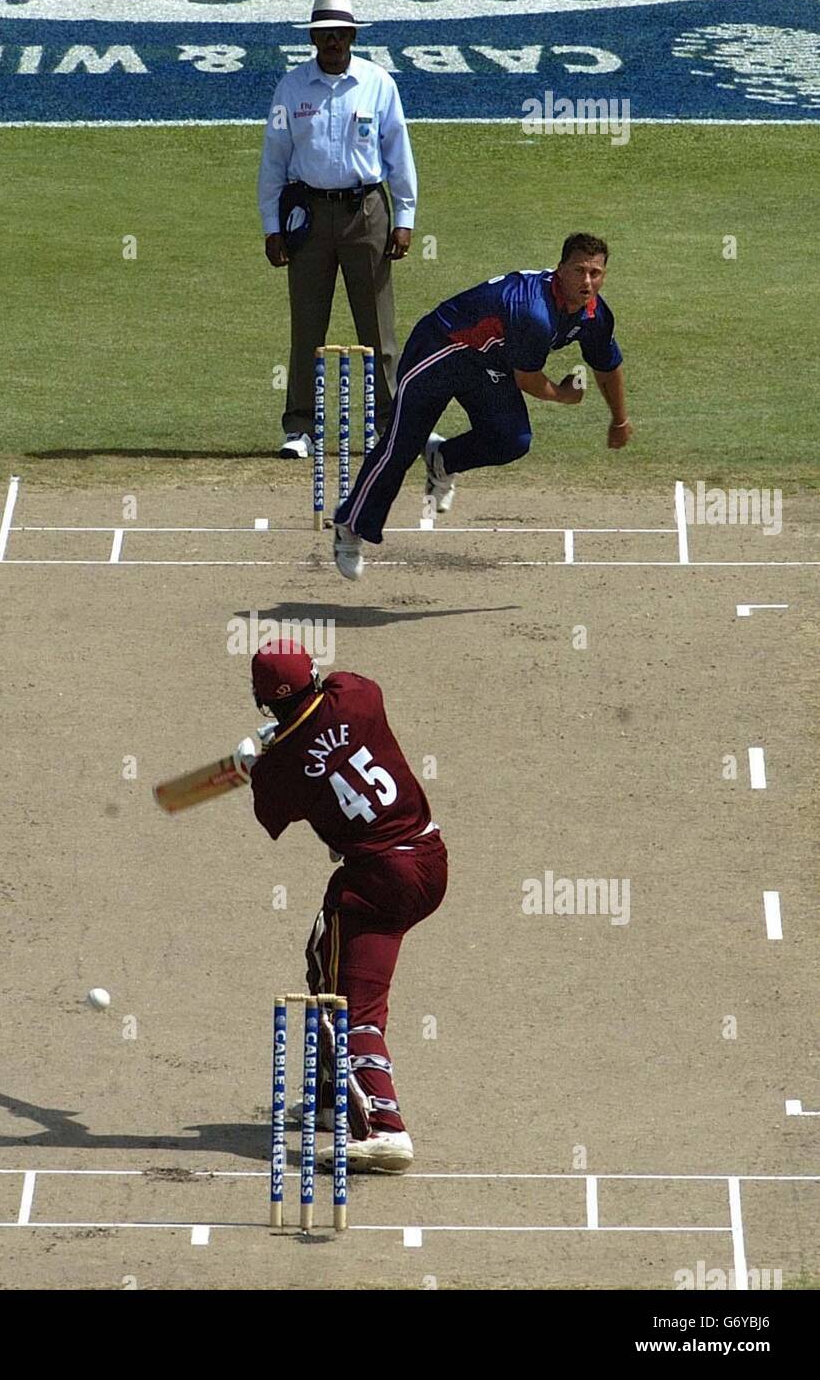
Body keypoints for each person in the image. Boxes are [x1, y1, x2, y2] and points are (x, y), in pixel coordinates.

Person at [240, 640, 448, 1173]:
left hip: (377, 881)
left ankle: (382, 1127)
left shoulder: (278, 770)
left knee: (344, 1004)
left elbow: (277, 808)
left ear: (265, 702)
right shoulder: (357, 695)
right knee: (323, 953)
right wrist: (291, 743)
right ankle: (337, 1097)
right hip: (428, 859)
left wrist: (259, 761)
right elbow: (336, 741)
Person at [331, 233, 634, 580]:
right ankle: (350, 524)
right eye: (579, 270)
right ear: (560, 269)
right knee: (400, 445)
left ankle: (443, 460)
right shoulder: (534, 311)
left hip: (486, 363)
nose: (587, 281)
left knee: (512, 439)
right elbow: (528, 380)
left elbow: (607, 365)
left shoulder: (595, 314)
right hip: (440, 349)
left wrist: (620, 420)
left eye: (595, 273)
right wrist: (564, 395)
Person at [257, 0, 417, 460]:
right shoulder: (291, 88)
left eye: (340, 32)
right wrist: (272, 225)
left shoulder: (377, 83)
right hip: (306, 215)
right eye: (324, 32)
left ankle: (386, 427)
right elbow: (274, 159)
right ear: (312, 37)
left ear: (351, 36)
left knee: (378, 330)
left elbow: (398, 153)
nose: (332, 40)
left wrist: (404, 218)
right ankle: (300, 428)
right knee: (307, 327)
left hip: (366, 211)